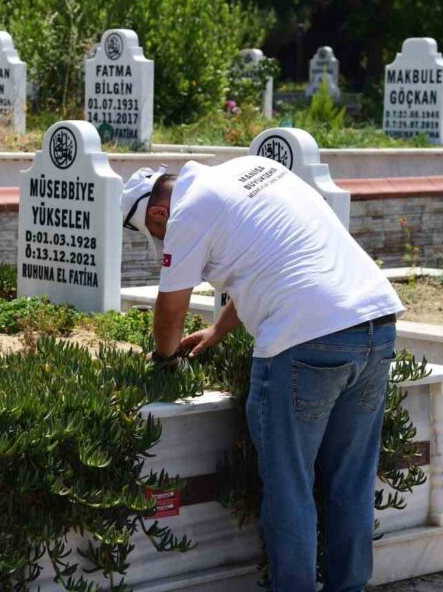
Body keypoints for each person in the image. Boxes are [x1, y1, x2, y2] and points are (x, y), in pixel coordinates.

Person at [121, 157, 405, 591]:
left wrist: (163, 362)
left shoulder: (188, 211)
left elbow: (170, 307)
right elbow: (273, 260)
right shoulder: (254, 169)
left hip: (303, 340)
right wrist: (218, 329)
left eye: (155, 234)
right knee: (351, 480)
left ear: (158, 214)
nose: (161, 240)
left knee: (290, 486)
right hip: (375, 325)